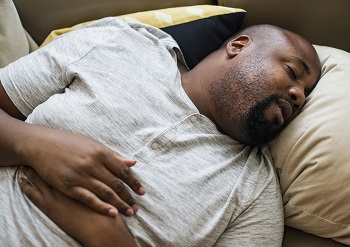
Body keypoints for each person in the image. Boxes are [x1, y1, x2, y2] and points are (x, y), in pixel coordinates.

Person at [0, 16, 321, 247]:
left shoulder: (254, 198)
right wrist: (36, 144)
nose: (298, 96)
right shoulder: (118, 45)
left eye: (304, 95)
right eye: (293, 72)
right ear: (238, 46)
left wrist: (104, 235)